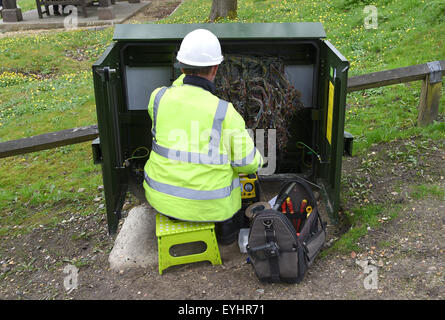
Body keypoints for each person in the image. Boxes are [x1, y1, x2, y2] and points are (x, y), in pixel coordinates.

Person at [143, 29, 263, 227]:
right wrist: (258, 157)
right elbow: (248, 164)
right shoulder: (225, 113)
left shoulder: (158, 98)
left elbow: (181, 100)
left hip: (160, 199)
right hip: (211, 209)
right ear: (216, 69)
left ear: (181, 67)